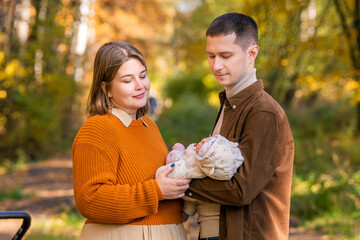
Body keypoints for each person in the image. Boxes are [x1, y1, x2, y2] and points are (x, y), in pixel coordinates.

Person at [185, 13, 295, 240]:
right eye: (211, 55)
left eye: (226, 55)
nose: (216, 65)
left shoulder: (263, 112)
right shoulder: (229, 104)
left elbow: (240, 190)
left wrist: (182, 181)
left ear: (252, 53)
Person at [72, 41, 191, 240]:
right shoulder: (97, 128)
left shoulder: (149, 126)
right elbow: (90, 200)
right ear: (106, 88)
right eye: (128, 80)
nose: (140, 86)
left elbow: (161, 191)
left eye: (143, 76)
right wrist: (156, 190)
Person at [156, 134, 244, 239]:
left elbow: (170, 171)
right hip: (204, 214)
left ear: (205, 159)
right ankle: (187, 211)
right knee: (193, 198)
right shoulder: (212, 169)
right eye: (208, 139)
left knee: (191, 196)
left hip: (211, 226)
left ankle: (186, 211)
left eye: (205, 144)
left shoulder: (193, 166)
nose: (203, 140)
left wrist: (175, 154)